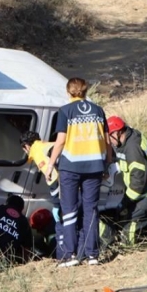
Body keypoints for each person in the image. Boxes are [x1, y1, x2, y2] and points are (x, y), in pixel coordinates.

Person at [46, 78, 113, 267]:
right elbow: (107, 141)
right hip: (94, 166)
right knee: (91, 209)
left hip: (70, 166)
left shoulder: (65, 111)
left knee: (69, 209)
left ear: (68, 92)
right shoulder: (98, 110)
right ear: (86, 91)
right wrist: (107, 163)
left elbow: (60, 141)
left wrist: (50, 164)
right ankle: (92, 255)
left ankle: (70, 255)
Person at [106, 116, 147, 244]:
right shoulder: (127, 140)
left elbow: (139, 180)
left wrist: (126, 201)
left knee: (130, 220)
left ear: (117, 133)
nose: (109, 141)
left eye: (109, 136)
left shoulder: (133, 148)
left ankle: (129, 245)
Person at [20, 131, 65, 259]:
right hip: (61, 186)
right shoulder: (40, 148)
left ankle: (62, 253)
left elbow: (56, 150)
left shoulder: (39, 149)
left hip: (62, 187)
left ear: (26, 146)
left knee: (62, 218)